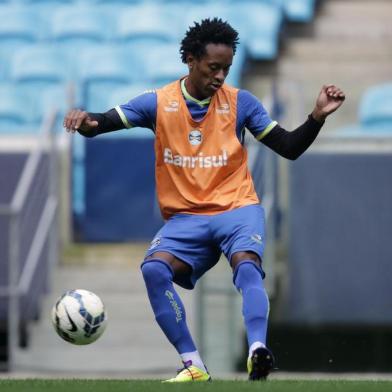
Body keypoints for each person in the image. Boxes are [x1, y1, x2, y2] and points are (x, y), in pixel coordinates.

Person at [64, 18, 345, 382]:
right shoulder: (157, 103)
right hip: (186, 219)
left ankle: (258, 349)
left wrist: (317, 117)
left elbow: (288, 147)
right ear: (191, 60)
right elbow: (102, 122)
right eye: (214, 68)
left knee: (247, 265)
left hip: (237, 208)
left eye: (226, 68)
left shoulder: (242, 103)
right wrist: (85, 121)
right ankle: (194, 365)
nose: (220, 76)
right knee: (153, 269)